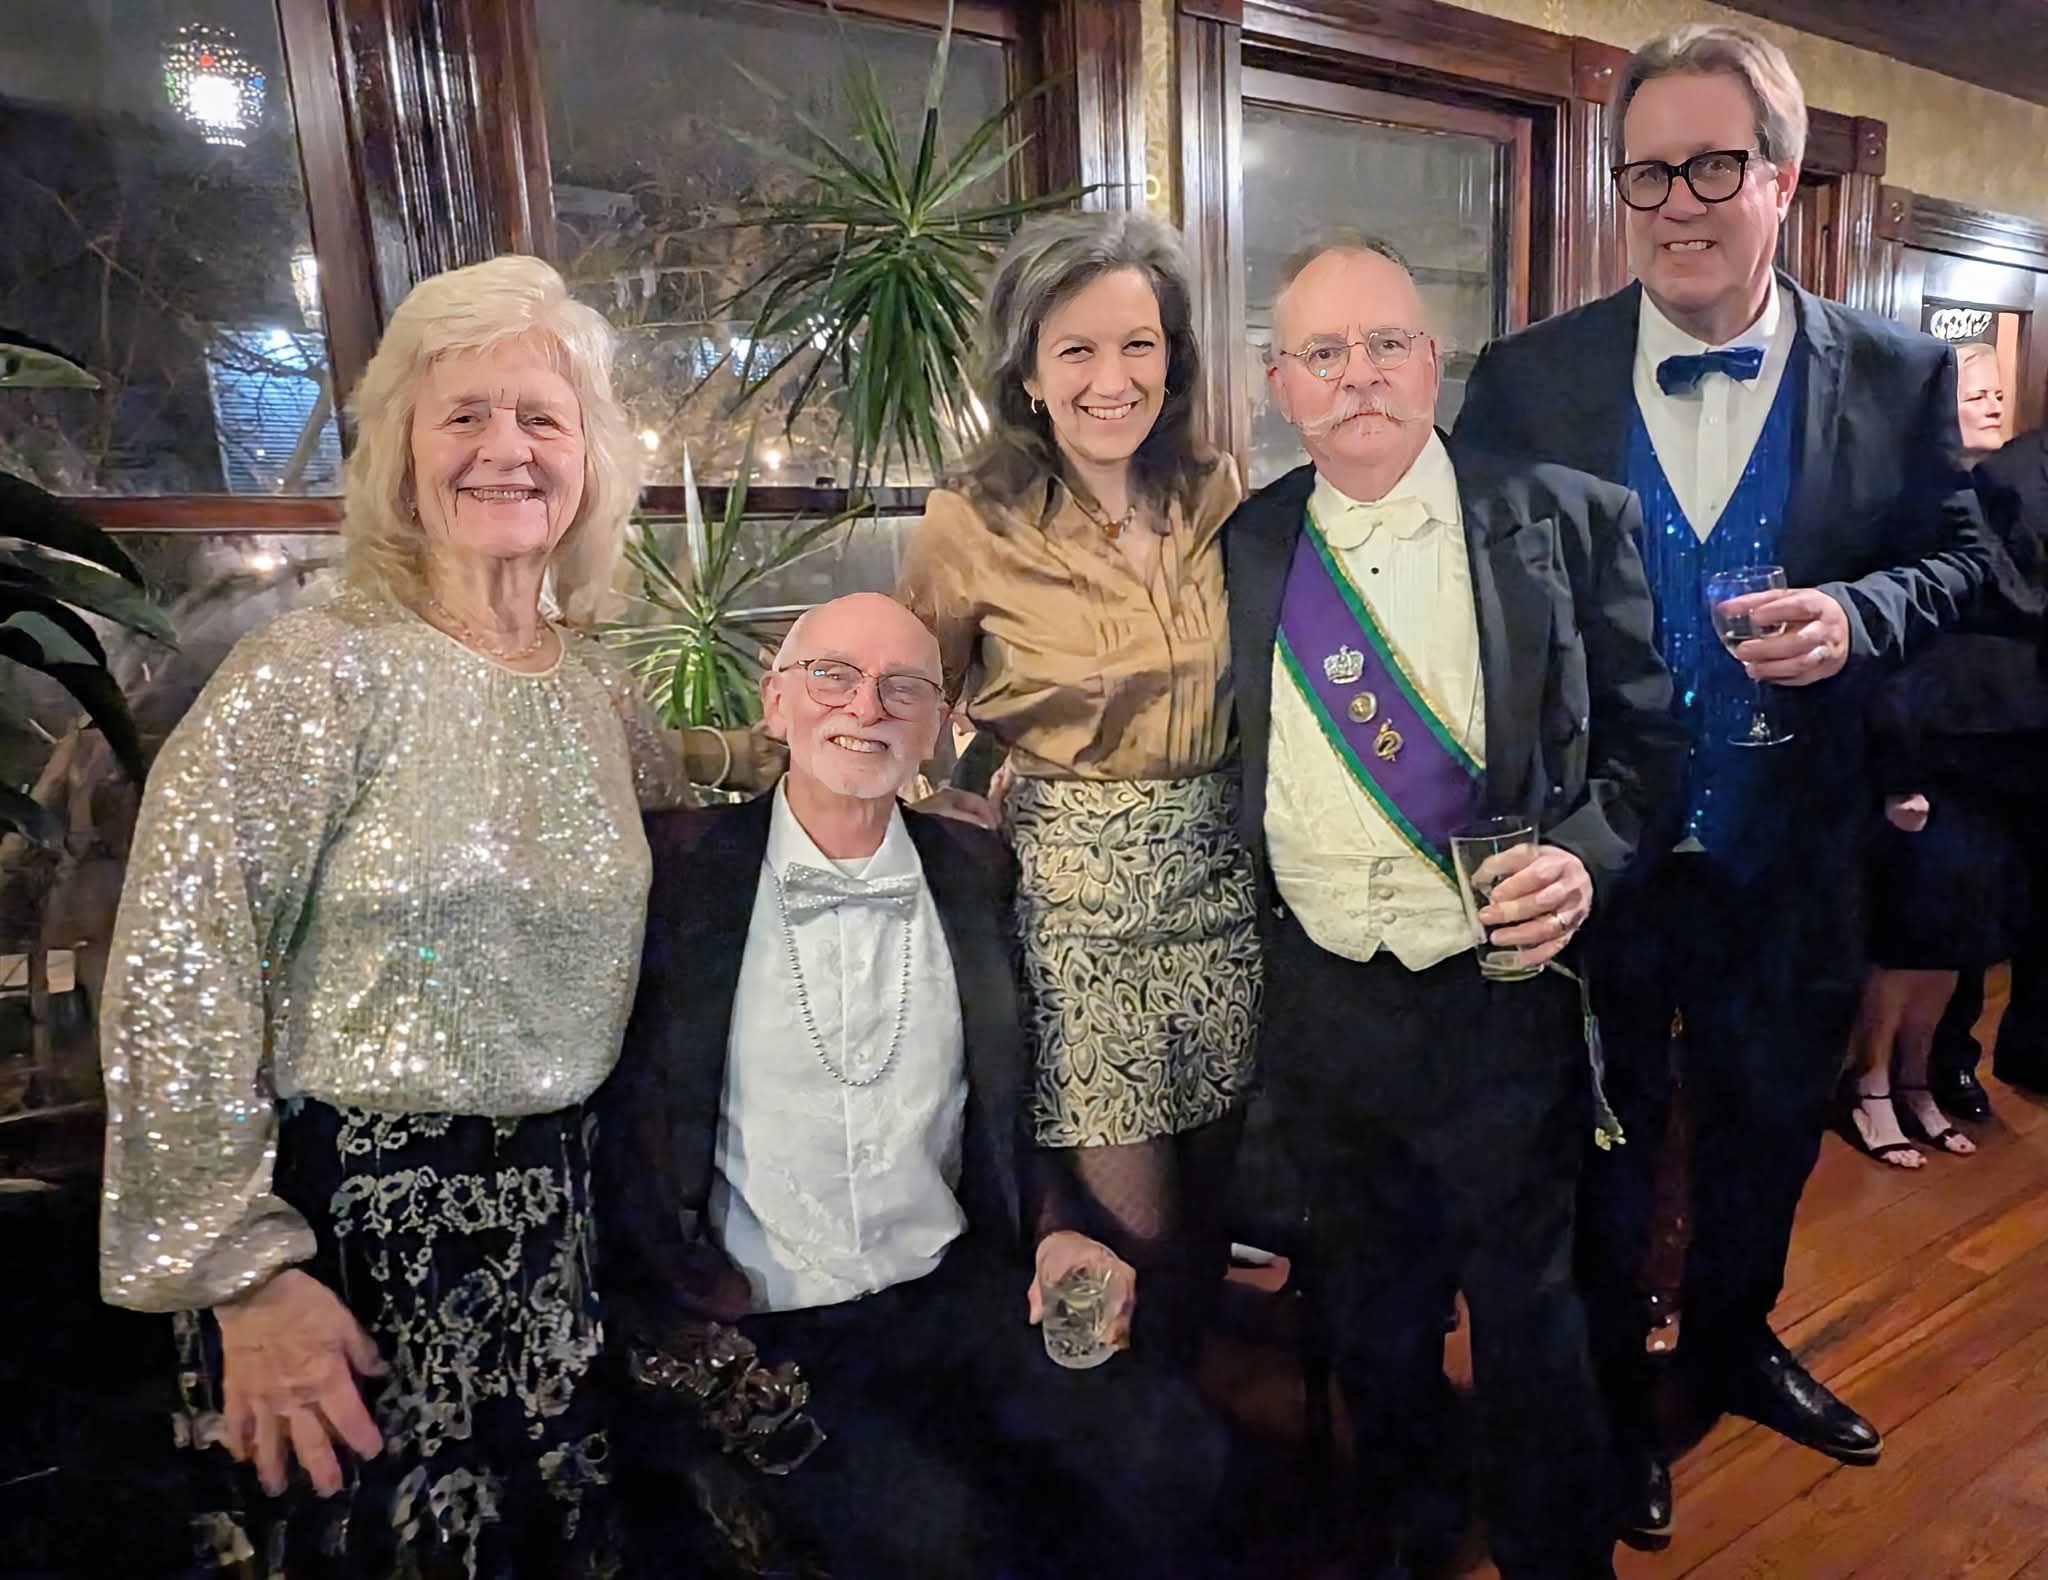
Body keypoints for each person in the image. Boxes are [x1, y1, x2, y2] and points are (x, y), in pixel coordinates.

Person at [1453, 22, 1992, 1545]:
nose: (1675, 203)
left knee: (1766, 1125)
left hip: (1794, 845)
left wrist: (1859, 616)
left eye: (1711, 167)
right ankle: (1617, 1397)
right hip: (1602, 856)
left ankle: (1739, 1340)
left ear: (1781, 177)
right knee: (1608, 1148)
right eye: (1646, 174)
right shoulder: (1530, 378)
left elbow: (1961, 559)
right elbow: (1475, 599)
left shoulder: (1894, 371)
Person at [97, 254, 689, 1577]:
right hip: (339, 1260)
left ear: (590, 457)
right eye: (462, 414)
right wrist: (242, 1277)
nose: (505, 449)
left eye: (541, 418)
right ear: (400, 456)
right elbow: (181, 967)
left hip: (568, 1236)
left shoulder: (606, 697)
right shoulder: (309, 676)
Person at [600, 591, 1227, 1580]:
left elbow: (1006, 1104)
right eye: (833, 677)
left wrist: (1056, 1229)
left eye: (903, 687)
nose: (867, 706)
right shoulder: (674, 873)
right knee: (938, 1537)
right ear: (775, 701)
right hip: (759, 1316)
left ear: (939, 725)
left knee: (1170, 1452)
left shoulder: (977, 868)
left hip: (950, 1290)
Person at [1226, 232, 1685, 1580]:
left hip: (1501, 1001)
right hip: (1323, 999)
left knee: (1530, 1315)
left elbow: (1651, 751)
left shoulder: (1566, 517)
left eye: (1386, 343)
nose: (1358, 374)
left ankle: (1555, 1555)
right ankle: (1409, 1540)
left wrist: (1582, 859)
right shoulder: (1247, 541)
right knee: (1372, 1311)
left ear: (1433, 364)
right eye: (1323, 352)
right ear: (1278, 384)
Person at [898, 211, 1257, 1358]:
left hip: (1223, 893)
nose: (1113, 378)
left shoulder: (1217, 489)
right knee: (1116, 1244)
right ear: (1028, 372)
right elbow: (900, 697)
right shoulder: (969, 522)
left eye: (1138, 345)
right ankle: (1122, 1445)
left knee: (1208, 1223)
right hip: (1075, 922)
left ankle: (1191, 1436)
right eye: (1077, 350)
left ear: (1172, 356)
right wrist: (933, 802)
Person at [1845, 351, 2043, 1162]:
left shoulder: (2013, 485)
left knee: (1962, 938)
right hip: (1928, 746)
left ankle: (1923, 1078)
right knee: (1910, 932)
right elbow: (1893, 644)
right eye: (1972, 392)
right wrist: (1899, 769)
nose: (1990, 403)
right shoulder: (1908, 496)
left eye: (1998, 391)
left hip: (2003, 751)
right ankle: (1870, 1086)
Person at [1930, 418, 2048, 1119]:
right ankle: (1951, 1058)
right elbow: (2007, 591)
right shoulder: (2011, 472)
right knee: (1983, 900)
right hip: (1999, 724)